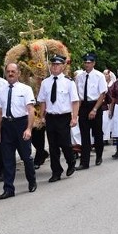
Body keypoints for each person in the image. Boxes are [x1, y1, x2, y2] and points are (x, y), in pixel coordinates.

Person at [0, 63, 36, 199]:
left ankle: (31, 181)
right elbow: (0, 112)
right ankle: (8, 189)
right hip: (7, 126)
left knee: (26, 156)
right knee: (7, 159)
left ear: (18, 73)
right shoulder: (1, 90)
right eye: (8, 71)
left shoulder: (26, 89)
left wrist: (29, 129)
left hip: (21, 124)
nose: (11, 74)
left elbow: (31, 110)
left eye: (13, 71)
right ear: (5, 73)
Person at [37, 55, 79, 183]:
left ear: (63, 66)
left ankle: (71, 161)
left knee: (65, 143)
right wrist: (42, 116)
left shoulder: (69, 82)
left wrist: (75, 117)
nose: (55, 67)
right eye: (53, 64)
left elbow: (75, 101)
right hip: (51, 117)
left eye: (57, 65)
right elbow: (43, 101)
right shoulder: (45, 82)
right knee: (52, 146)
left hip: (64, 117)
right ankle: (56, 171)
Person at [75, 52, 107, 170]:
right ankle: (84, 162)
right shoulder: (80, 77)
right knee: (84, 134)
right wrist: (76, 111)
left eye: (89, 62)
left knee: (97, 133)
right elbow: (78, 96)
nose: (87, 64)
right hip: (83, 106)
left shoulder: (99, 76)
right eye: (85, 62)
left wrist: (94, 109)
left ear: (94, 63)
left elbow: (102, 94)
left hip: (95, 105)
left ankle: (99, 155)